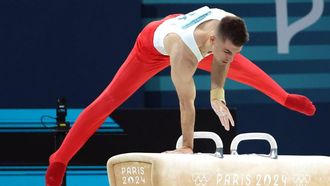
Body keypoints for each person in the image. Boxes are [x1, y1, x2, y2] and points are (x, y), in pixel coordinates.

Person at [46, 6, 316, 186]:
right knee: (108, 100)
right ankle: (60, 158)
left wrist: (217, 94)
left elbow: (223, 62)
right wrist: (187, 145)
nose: (230, 59)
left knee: (247, 72)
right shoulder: (182, 53)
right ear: (212, 41)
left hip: (187, 28)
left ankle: (285, 97)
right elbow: (186, 103)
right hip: (152, 47)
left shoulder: (228, 27)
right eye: (227, 52)